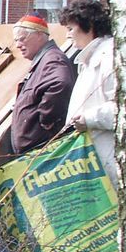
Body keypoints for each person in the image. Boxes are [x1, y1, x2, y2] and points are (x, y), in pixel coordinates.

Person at [62, 0, 117, 186]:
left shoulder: (109, 57)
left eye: (71, 28)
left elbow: (125, 108)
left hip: (108, 158)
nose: (68, 35)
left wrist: (89, 118)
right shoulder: (90, 58)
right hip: (94, 159)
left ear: (89, 25)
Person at [9, 14, 74, 155]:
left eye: (22, 39)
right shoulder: (44, 59)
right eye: (16, 41)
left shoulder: (52, 59)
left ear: (39, 35)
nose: (18, 45)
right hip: (34, 150)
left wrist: (45, 121)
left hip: (40, 150)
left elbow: (60, 84)